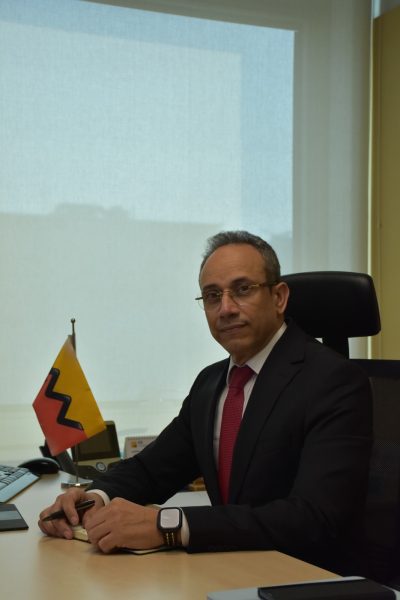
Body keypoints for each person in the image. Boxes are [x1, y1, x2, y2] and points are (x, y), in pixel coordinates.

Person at [39, 230, 372, 574]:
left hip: (309, 578)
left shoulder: (335, 381)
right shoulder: (211, 383)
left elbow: (314, 518)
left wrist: (168, 525)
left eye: (242, 289)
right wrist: (93, 497)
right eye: (212, 296)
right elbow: (152, 470)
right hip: (230, 570)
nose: (225, 309)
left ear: (279, 297)